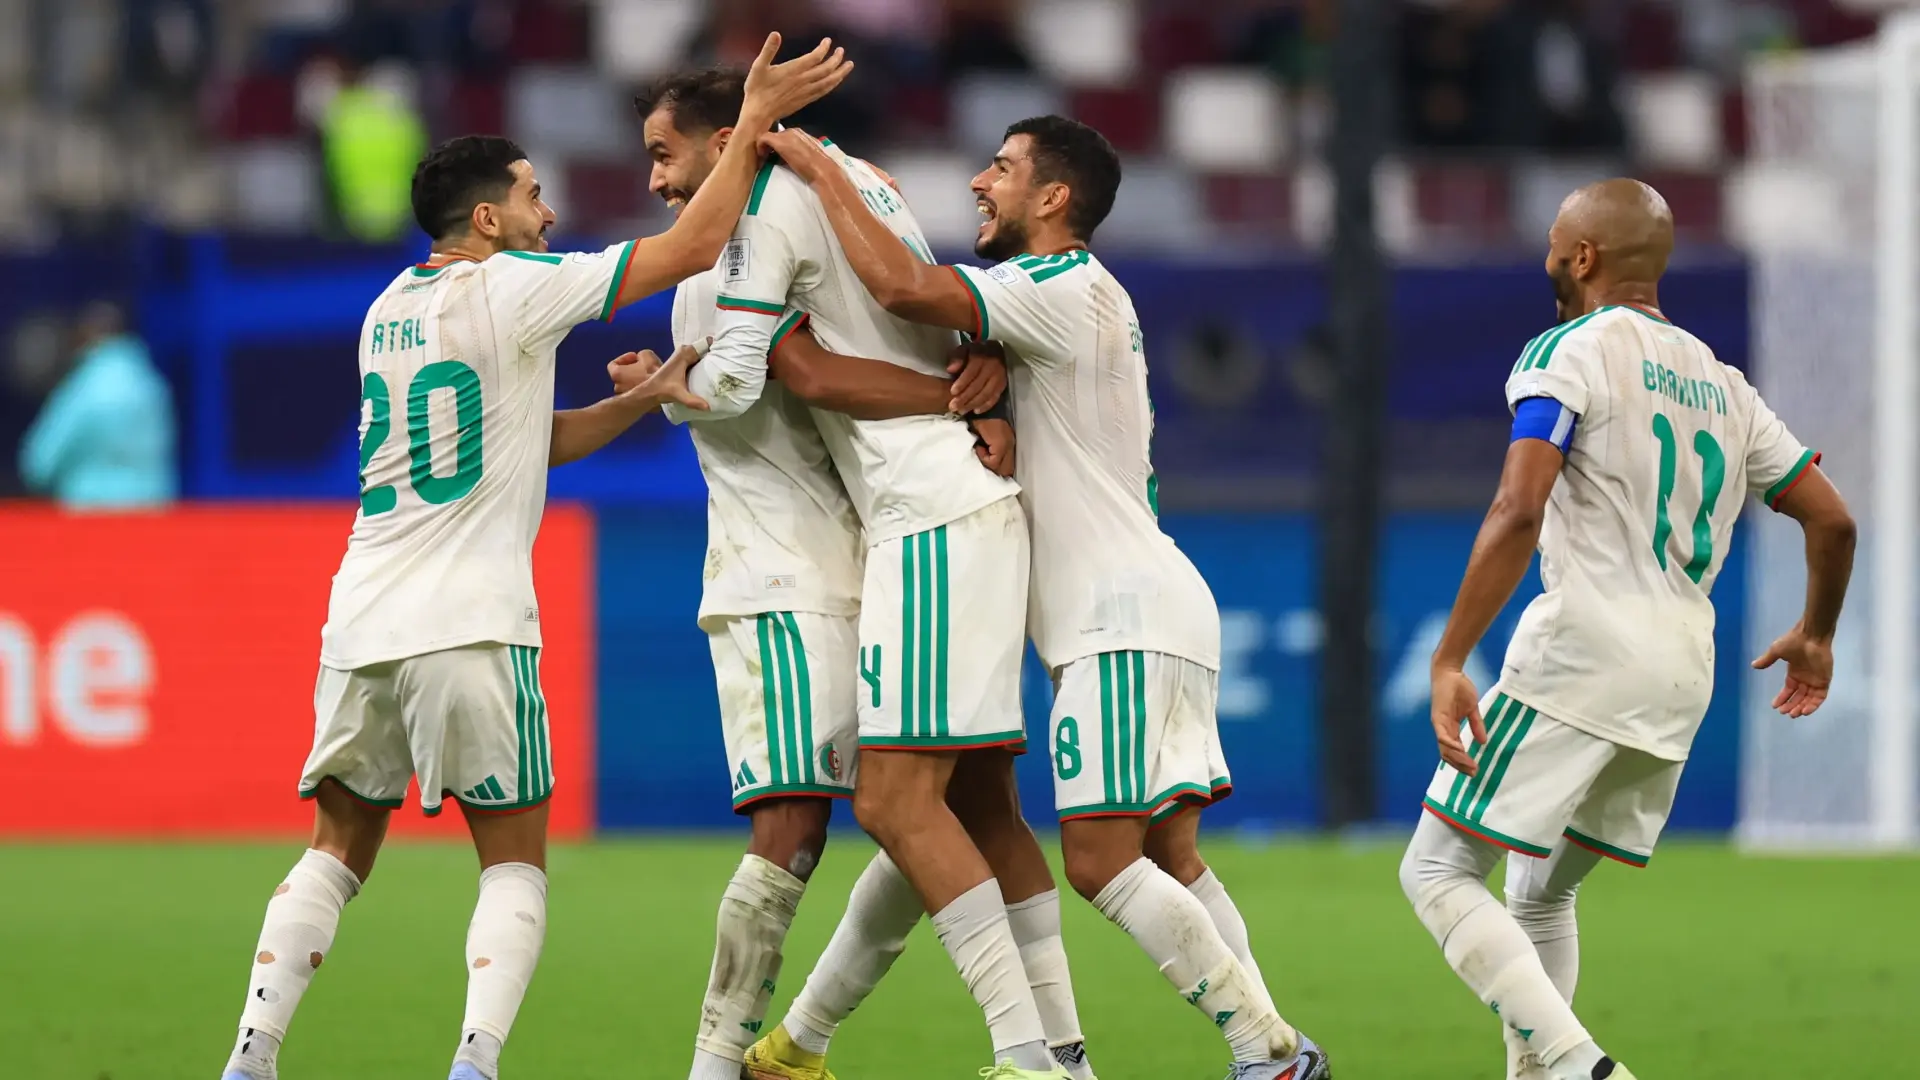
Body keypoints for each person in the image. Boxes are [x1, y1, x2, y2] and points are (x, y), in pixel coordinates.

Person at [213, 34, 851, 1080]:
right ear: (486, 220)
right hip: (472, 619)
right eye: (531, 196)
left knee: (335, 850)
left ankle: (251, 1055)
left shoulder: (386, 311)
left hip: (359, 618)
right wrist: (750, 120)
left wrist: (642, 398)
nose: (547, 215)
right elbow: (694, 244)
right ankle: (475, 1063)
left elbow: (522, 439)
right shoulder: (514, 285)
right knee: (513, 864)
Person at [757, 118, 1328, 1080]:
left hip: (1117, 616)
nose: (980, 182)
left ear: (1054, 197)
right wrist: (990, 372)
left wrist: (820, 166)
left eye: (1004, 168)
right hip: (1153, 602)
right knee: (1170, 856)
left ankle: (1265, 1050)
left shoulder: (1055, 287)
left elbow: (902, 287)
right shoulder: (1069, 303)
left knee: (1101, 862)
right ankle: (1267, 1046)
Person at [648, 84, 1088, 1080]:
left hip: (905, 524)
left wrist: (666, 392)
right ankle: (1049, 1055)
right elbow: (929, 306)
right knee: (974, 804)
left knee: (879, 807)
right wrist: (978, 378)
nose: (657, 181)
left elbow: (777, 375)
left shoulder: (757, 222)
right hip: (941, 517)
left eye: (666, 154)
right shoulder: (870, 183)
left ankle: (1023, 1054)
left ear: (728, 140)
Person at [1400, 179, 1856, 1080]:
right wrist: (1816, 633)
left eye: (1553, 243)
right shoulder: (1725, 385)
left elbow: (1517, 507)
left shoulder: (1570, 349)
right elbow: (1833, 521)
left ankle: (1582, 1068)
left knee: (1438, 872)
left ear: (1582, 257)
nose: (1546, 258)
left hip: (1586, 649)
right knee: (1539, 893)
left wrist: (1451, 657)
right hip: (1682, 671)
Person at [19, 301, 176, 509]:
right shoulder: (152, 385)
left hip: (94, 513)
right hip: (152, 510)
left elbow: (40, 460)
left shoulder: (86, 388)